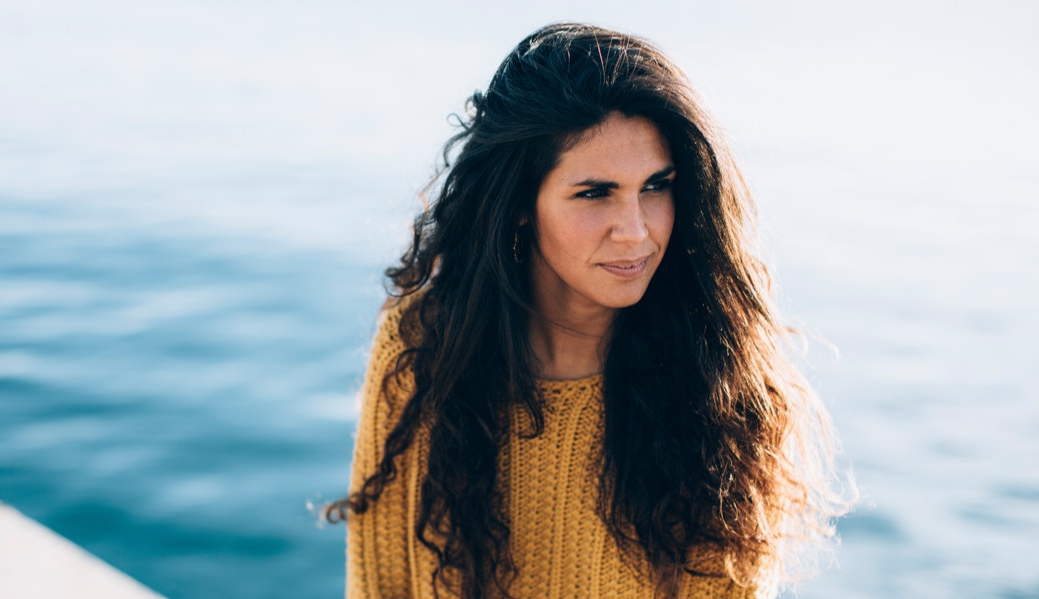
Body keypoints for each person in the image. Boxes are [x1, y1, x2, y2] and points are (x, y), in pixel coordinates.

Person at [326, 22, 852, 599]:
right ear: (520, 205)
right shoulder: (427, 345)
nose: (636, 232)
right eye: (595, 193)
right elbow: (380, 587)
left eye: (656, 186)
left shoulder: (717, 385)